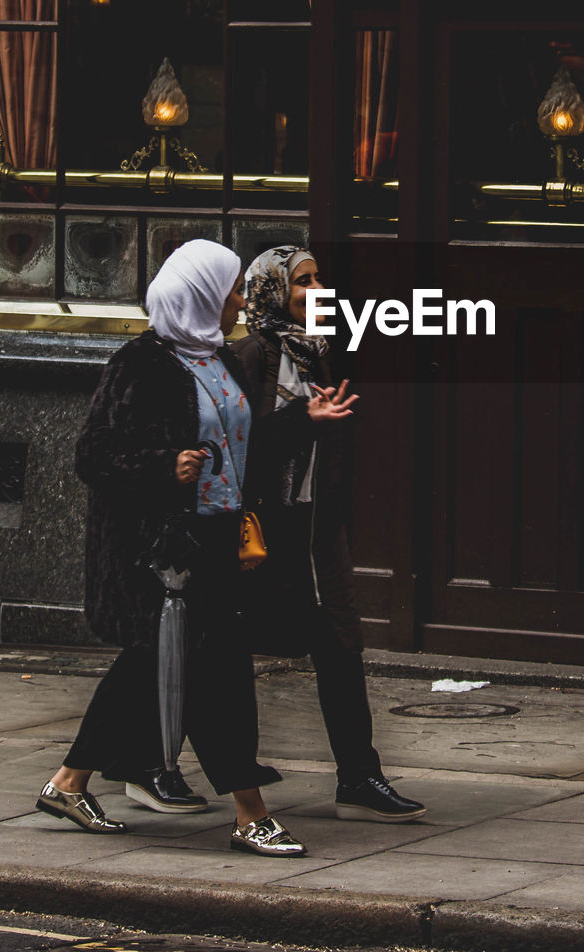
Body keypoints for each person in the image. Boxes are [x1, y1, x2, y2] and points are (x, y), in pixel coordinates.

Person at [35, 238, 333, 857]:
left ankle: (69, 782)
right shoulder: (142, 363)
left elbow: (238, 443)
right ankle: (251, 813)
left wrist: (303, 418)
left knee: (157, 666)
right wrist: (163, 465)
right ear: (199, 294)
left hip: (215, 536)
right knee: (214, 672)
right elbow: (94, 455)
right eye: (227, 292)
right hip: (160, 551)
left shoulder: (215, 358)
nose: (237, 303)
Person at [231, 245, 427, 823]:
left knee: (341, 646)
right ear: (270, 291)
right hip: (264, 529)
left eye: (319, 278)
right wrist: (301, 421)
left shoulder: (316, 353)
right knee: (220, 650)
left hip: (317, 528)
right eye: (303, 281)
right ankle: (147, 760)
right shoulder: (250, 355)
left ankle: (360, 776)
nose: (317, 289)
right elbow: (239, 448)